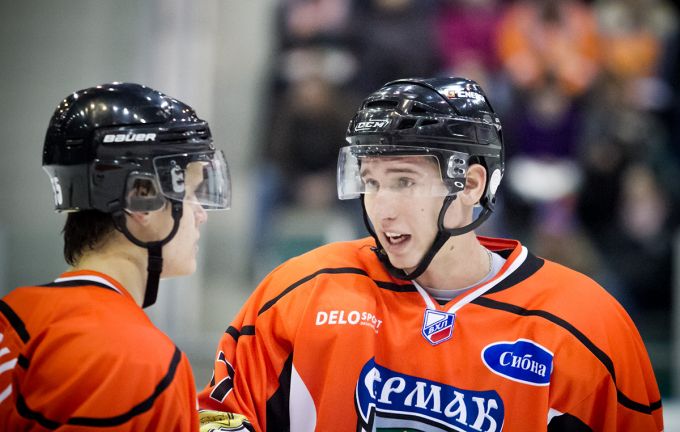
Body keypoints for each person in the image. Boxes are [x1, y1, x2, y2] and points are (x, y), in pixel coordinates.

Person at [199, 77, 663, 431]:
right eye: (371, 182)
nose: (382, 207)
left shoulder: (587, 325)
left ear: (472, 184)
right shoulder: (300, 293)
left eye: (404, 181)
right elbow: (218, 417)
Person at [0, 83, 236, 430]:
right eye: (190, 192)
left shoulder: (14, 311)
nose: (201, 214)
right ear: (142, 198)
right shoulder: (138, 361)